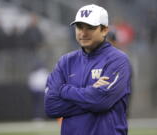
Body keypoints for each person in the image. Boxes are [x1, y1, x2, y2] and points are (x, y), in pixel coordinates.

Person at [44, 4, 132, 135]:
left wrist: (64, 90)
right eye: (79, 27)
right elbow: (51, 107)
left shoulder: (118, 60)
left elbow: (100, 102)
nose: (83, 32)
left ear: (104, 30)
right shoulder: (65, 61)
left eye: (90, 27)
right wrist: (91, 92)